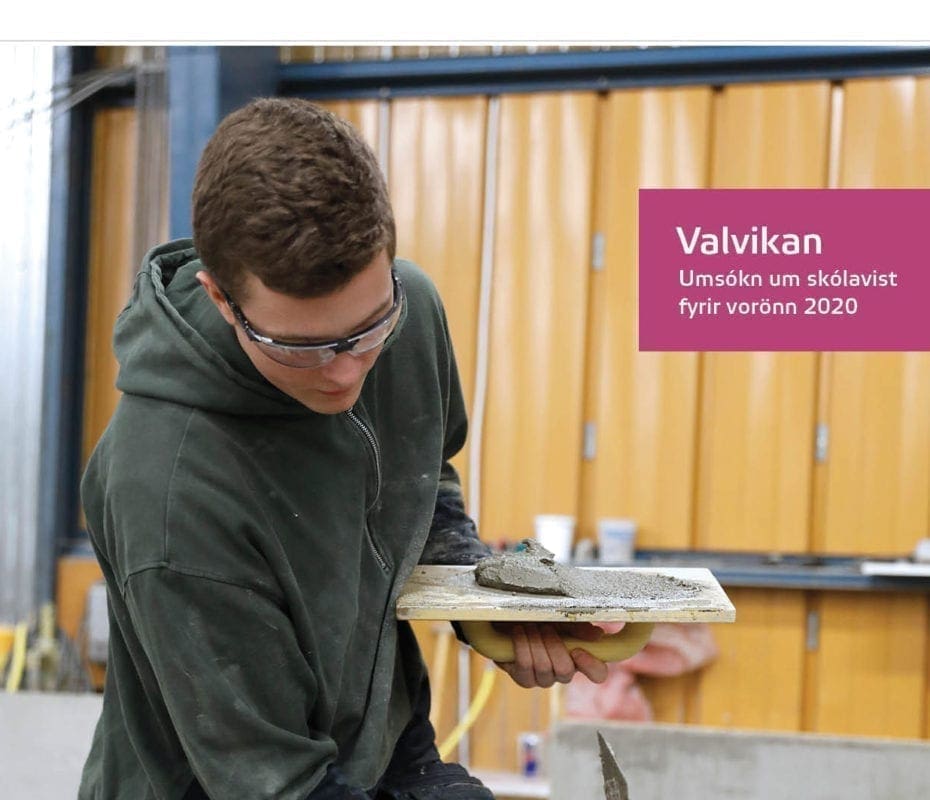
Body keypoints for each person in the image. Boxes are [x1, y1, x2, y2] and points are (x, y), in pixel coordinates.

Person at [78, 97, 607, 800]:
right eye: (300, 347)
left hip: (381, 741)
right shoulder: (167, 490)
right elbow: (276, 783)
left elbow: (417, 482)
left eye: (368, 329)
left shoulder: (410, 314)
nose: (346, 372)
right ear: (222, 298)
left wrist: (488, 602)